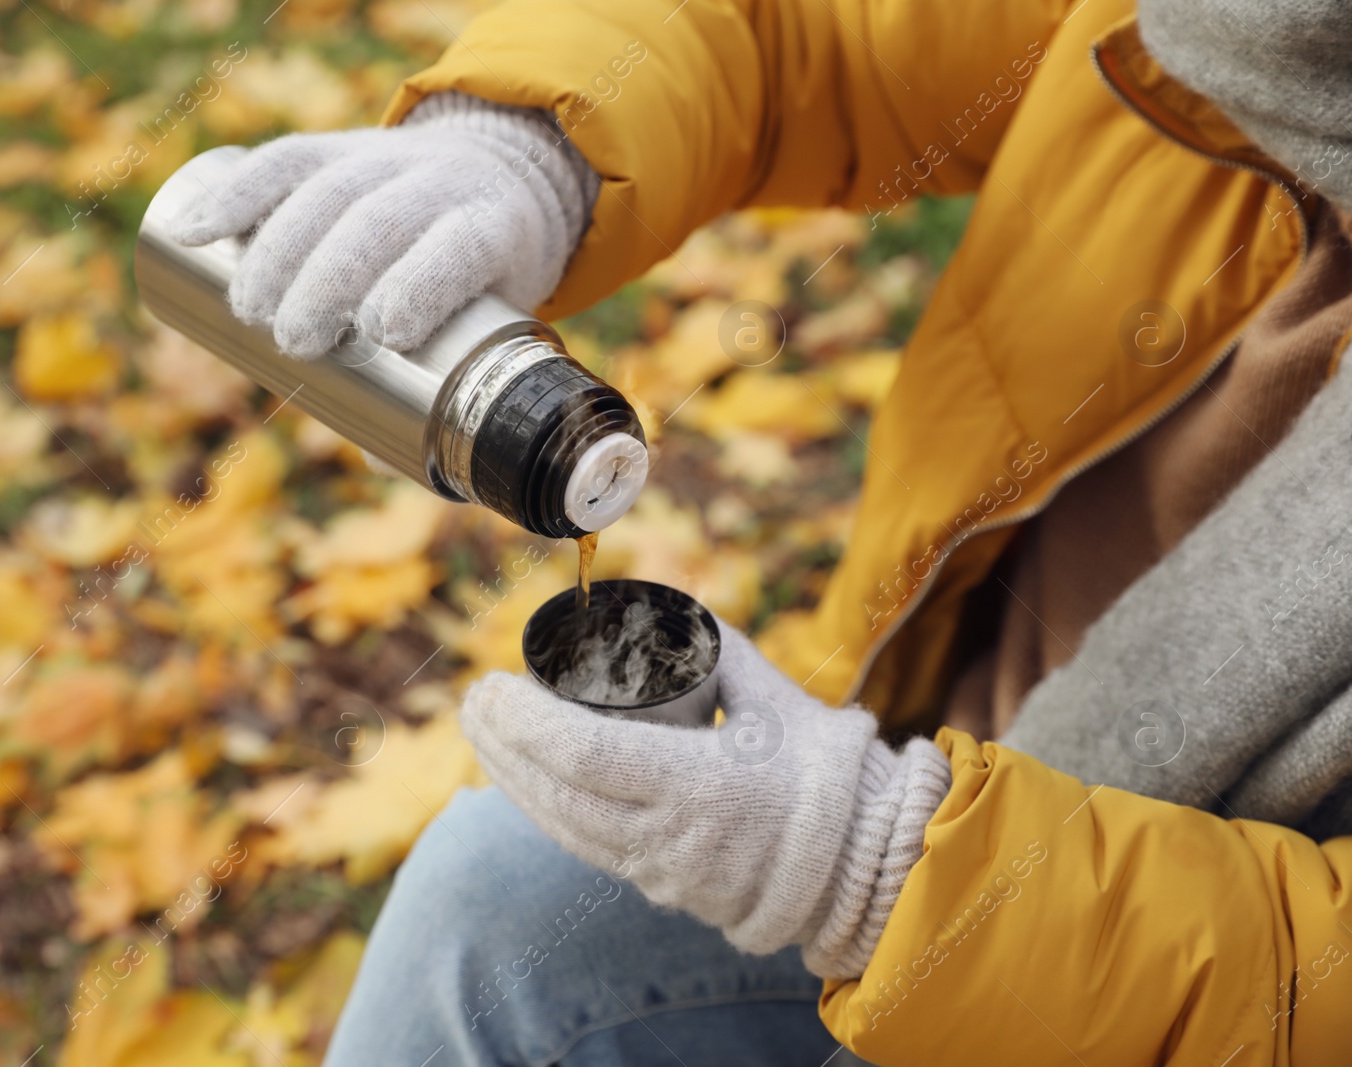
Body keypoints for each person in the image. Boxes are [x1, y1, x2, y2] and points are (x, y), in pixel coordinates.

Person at [172, 0, 1352, 1061]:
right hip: (941, 753)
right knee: (500, 904)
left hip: (1149, 983)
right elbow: (807, 28)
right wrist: (529, 145)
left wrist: (885, 874)